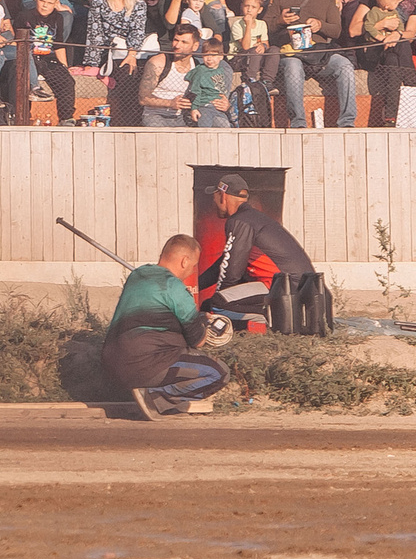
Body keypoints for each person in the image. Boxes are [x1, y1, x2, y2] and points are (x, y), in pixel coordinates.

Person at [103, 233, 225, 420]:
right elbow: (198, 340)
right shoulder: (173, 286)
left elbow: (157, 318)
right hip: (146, 364)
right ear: (184, 261)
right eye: (193, 265)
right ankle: (157, 397)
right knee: (218, 372)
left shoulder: (137, 275)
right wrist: (203, 322)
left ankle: (143, 391)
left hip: (112, 364)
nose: (192, 271)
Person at [201, 172, 318, 330]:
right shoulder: (252, 218)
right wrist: (196, 283)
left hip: (284, 289)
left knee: (217, 304)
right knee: (214, 303)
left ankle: (264, 325)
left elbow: (231, 273)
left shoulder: (239, 222)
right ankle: (267, 319)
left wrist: (218, 302)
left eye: (214, 196)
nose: (214, 202)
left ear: (222, 196)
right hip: (298, 289)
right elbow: (224, 264)